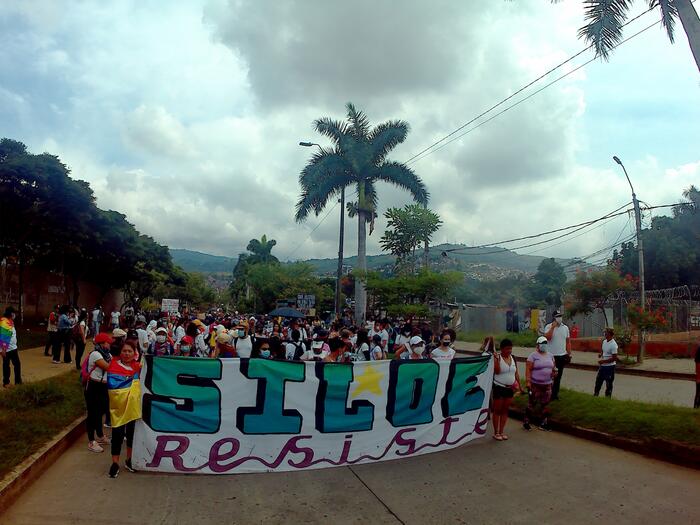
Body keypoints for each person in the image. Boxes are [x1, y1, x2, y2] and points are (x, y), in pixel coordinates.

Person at [106, 342, 142, 478]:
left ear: (134, 353)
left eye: (130, 351)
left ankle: (129, 459)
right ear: (120, 352)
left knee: (132, 434)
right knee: (117, 435)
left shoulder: (138, 367)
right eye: (124, 351)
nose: (127, 354)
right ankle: (115, 463)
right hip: (119, 408)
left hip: (133, 407)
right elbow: (113, 387)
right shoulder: (113, 366)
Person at [84, 332, 113, 453]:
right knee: (92, 414)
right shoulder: (96, 354)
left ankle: (100, 436)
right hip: (93, 386)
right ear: (102, 343)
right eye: (108, 343)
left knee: (101, 412)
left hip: (103, 386)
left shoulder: (107, 354)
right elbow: (109, 367)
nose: (109, 345)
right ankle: (91, 441)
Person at [524, 336, 557, 431]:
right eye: (542, 343)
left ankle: (543, 423)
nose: (544, 345)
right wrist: (528, 382)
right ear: (538, 345)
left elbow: (553, 368)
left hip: (547, 384)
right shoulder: (533, 356)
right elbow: (528, 370)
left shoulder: (550, 356)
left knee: (545, 404)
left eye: (546, 343)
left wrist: (554, 373)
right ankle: (526, 421)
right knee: (532, 403)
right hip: (535, 384)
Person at [492, 338, 522, 440]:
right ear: (502, 349)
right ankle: (496, 432)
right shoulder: (498, 358)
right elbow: (497, 371)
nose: (509, 351)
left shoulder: (513, 358)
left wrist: (520, 386)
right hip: (499, 387)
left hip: (510, 388)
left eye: (510, 348)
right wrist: (496, 360)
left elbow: (516, 372)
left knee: (505, 410)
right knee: (497, 410)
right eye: (507, 349)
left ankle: (502, 431)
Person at [544, 311, 571, 400]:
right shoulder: (548, 326)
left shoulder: (565, 328)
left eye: (560, 316)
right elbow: (547, 337)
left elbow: (568, 341)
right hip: (550, 356)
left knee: (558, 377)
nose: (559, 318)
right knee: (549, 376)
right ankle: (547, 393)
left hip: (561, 355)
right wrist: (552, 327)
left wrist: (569, 353)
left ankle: (555, 395)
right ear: (554, 317)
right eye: (557, 316)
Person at [594, 327, 618, 397]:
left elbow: (614, 358)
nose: (604, 334)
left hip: (610, 367)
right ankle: (596, 394)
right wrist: (601, 354)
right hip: (603, 367)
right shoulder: (604, 341)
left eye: (606, 333)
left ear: (610, 334)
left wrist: (603, 361)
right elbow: (603, 350)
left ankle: (607, 397)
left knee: (609, 384)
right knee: (598, 381)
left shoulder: (613, 345)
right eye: (604, 333)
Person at [1, 307, 22, 387]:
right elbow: (4, 337)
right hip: (7, 349)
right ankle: (6, 382)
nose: (15, 315)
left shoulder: (9, 321)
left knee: (17, 364)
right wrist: (3, 350)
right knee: (6, 365)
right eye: (14, 313)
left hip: (13, 347)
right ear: (11, 313)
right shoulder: (5, 322)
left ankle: (18, 382)